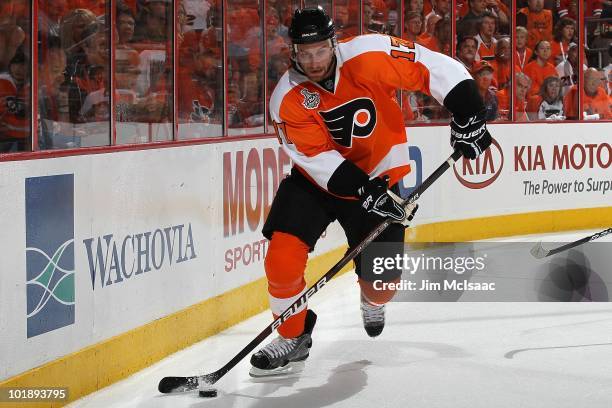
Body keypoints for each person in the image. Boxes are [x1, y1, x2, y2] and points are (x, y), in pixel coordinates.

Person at [250, 6, 492, 377]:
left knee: (381, 286)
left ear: (333, 43)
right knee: (281, 258)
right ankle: (292, 334)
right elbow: (316, 158)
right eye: (305, 52)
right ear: (293, 52)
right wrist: (363, 190)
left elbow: (431, 66)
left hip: (382, 176)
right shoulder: (287, 98)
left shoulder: (368, 53)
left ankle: (371, 297)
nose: (313, 61)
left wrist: (469, 113)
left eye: (320, 50)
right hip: (319, 183)